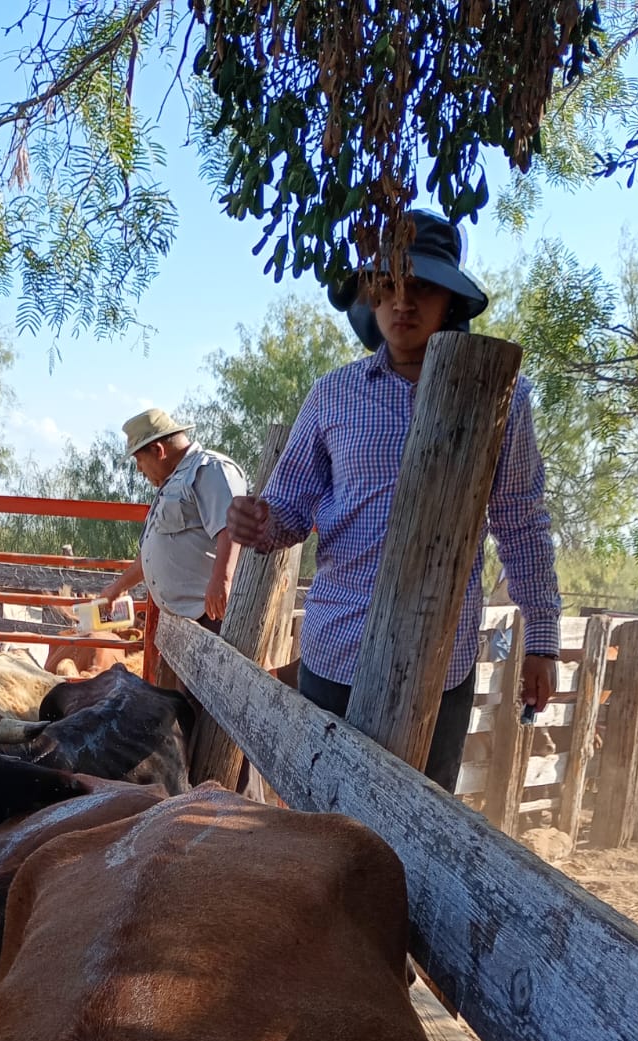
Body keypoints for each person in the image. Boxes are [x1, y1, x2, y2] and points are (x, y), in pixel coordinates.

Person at [226, 209, 562, 793]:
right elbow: (289, 510)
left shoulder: (499, 395)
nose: (402, 303)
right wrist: (258, 522)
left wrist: (543, 640)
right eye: (386, 287)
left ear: (450, 299)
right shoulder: (334, 395)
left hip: (441, 663)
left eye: (422, 286)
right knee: (321, 826)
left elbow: (520, 520)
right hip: (336, 654)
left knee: (421, 839)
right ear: (369, 298)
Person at [98, 409, 248, 628]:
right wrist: (117, 588)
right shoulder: (174, 481)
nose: (139, 469)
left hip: (213, 615)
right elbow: (153, 552)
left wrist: (222, 579)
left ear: (158, 450)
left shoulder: (210, 468)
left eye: (139, 460)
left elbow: (233, 525)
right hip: (188, 619)